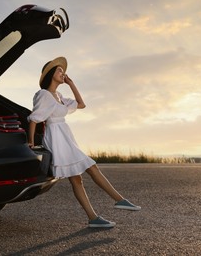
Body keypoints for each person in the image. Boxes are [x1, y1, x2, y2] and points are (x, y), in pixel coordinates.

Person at [27, 57, 141, 228]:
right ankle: (119, 200)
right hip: (56, 138)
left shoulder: (59, 96)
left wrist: (71, 84)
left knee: (77, 179)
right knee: (91, 166)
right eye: (59, 70)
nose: (62, 73)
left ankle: (93, 218)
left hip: (66, 137)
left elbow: (81, 104)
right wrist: (30, 142)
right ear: (50, 74)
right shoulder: (43, 95)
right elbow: (34, 119)